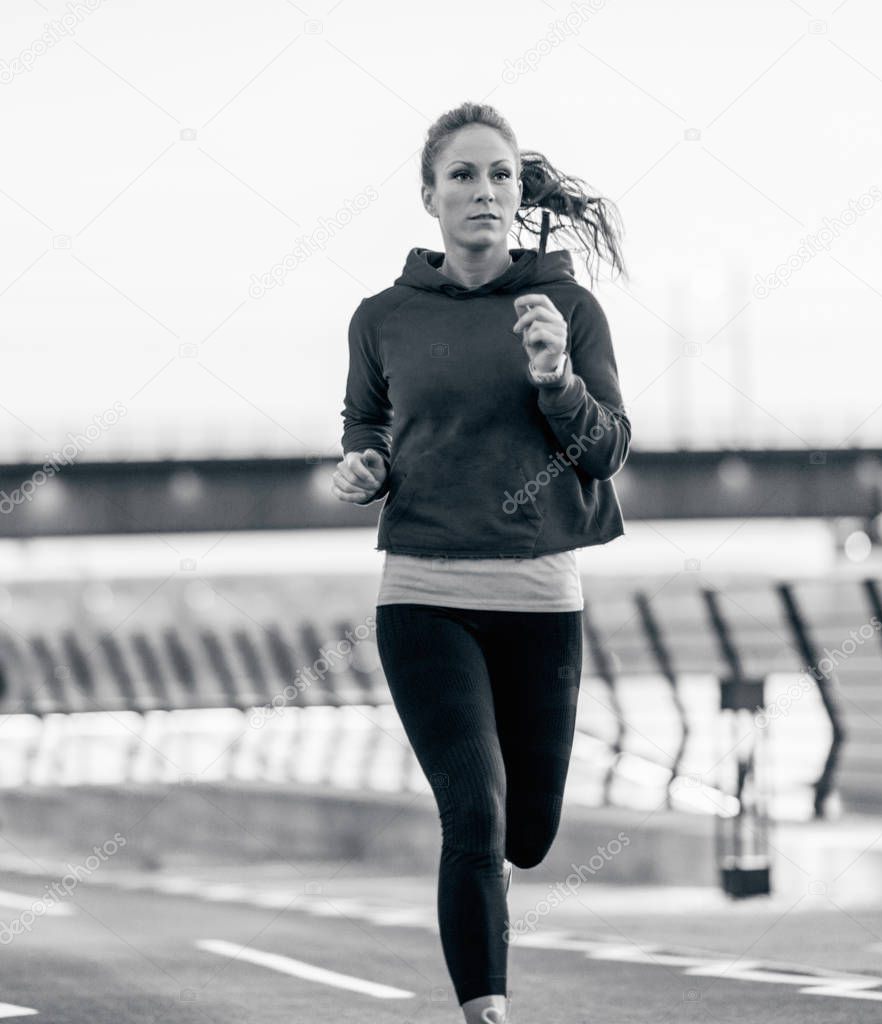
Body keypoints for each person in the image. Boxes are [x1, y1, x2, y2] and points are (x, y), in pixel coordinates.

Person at [333, 100, 630, 1024]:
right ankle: (486, 1011)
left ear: (518, 192)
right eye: (461, 175)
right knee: (475, 810)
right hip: (423, 595)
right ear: (429, 197)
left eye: (499, 174)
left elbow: (607, 450)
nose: (483, 191)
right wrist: (364, 466)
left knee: (531, 834)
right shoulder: (381, 318)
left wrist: (556, 379)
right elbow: (365, 429)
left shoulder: (569, 309)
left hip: (541, 599)